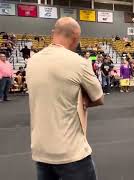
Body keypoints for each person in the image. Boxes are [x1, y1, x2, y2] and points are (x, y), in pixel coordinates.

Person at [26, 17, 104, 180]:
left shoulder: (32, 61)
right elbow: (98, 97)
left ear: (53, 33)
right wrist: (84, 100)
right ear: (76, 38)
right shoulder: (79, 63)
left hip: (41, 151)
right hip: (71, 153)